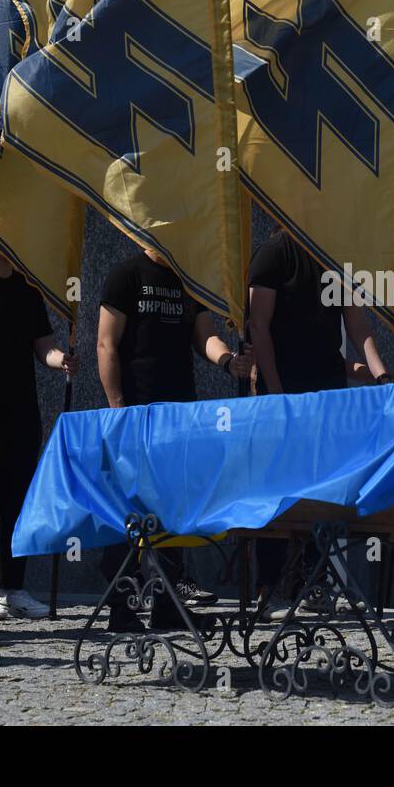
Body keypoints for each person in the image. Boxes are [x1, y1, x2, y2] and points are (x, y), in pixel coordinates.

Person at [97, 246, 253, 631]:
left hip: (181, 415)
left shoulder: (190, 278)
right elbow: (106, 344)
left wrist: (228, 362)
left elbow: (205, 336)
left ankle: (167, 604)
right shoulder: (126, 274)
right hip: (136, 412)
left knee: (173, 510)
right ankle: (121, 607)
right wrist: (118, 408)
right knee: (128, 513)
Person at [247, 226, 393, 618]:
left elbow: (359, 328)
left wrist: (382, 379)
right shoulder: (273, 254)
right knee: (278, 490)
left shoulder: (336, 256)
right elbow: (258, 327)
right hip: (284, 389)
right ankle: (271, 587)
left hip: (328, 393)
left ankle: (314, 581)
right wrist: (277, 395)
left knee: (324, 487)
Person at [0, 237, 78, 621]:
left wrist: (62, 360)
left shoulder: (28, 291)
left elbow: (42, 346)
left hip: (21, 408)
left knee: (15, 504)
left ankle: (12, 587)